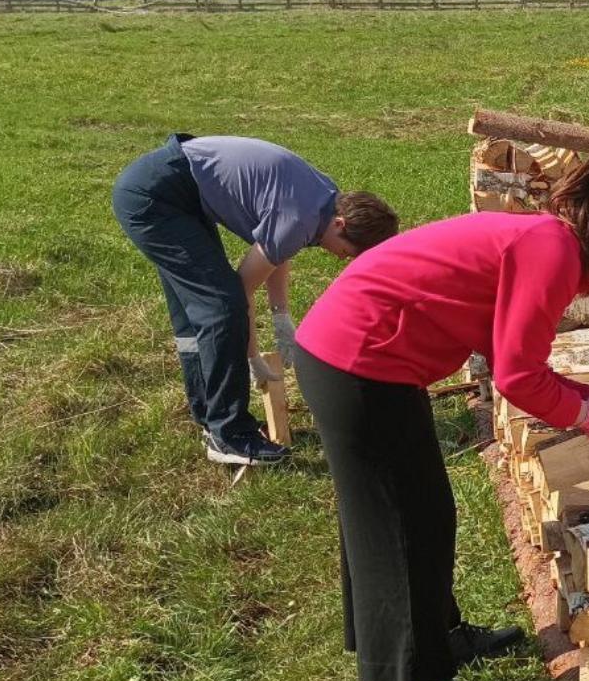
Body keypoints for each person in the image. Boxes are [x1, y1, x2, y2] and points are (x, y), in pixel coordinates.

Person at [294, 151, 589, 681]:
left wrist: (586, 399)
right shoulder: (550, 251)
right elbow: (517, 381)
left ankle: (441, 638)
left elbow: (515, 357)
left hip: (366, 359)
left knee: (421, 515)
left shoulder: (554, 245)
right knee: (399, 526)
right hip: (358, 362)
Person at [111, 133, 399, 466]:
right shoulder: (300, 217)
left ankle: (209, 414)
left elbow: (279, 249)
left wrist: (281, 314)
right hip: (154, 197)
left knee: (196, 315)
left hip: (173, 188)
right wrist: (251, 357)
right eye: (347, 252)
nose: (342, 259)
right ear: (340, 224)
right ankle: (229, 435)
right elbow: (241, 291)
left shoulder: (324, 199)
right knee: (221, 306)